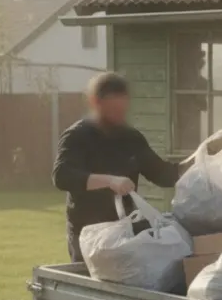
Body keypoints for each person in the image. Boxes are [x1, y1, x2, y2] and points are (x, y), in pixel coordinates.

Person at [52, 72, 184, 262]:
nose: (118, 117)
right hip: (88, 236)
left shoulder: (132, 138)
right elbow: (61, 175)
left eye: (122, 110)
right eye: (112, 110)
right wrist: (110, 181)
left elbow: (163, 174)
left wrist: (201, 160)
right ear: (95, 102)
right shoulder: (77, 136)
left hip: (125, 234)